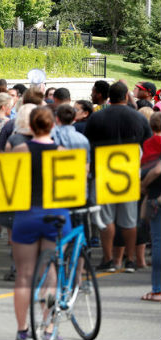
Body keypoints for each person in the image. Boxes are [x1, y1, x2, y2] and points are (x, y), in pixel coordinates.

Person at [11, 106, 71, 340]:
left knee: (24, 275)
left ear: (31, 126)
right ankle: (48, 327)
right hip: (56, 215)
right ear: (53, 124)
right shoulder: (64, 152)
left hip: (27, 214)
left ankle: (22, 329)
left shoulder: (19, 151)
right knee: (52, 272)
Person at [85, 81, 153, 273]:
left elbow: (88, 144)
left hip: (103, 170)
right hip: (129, 172)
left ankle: (109, 259)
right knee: (129, 219)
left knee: (106, 219)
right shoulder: (138, 118)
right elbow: (147, 147)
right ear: (125, 96)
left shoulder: (97, 117)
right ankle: (129, 259)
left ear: (109, 97)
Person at [140, 112, 161, 302]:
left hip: (156, 196)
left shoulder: (150, 143)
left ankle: (157, 289)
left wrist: (144, 185)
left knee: (158, 242)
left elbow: (156, 169)